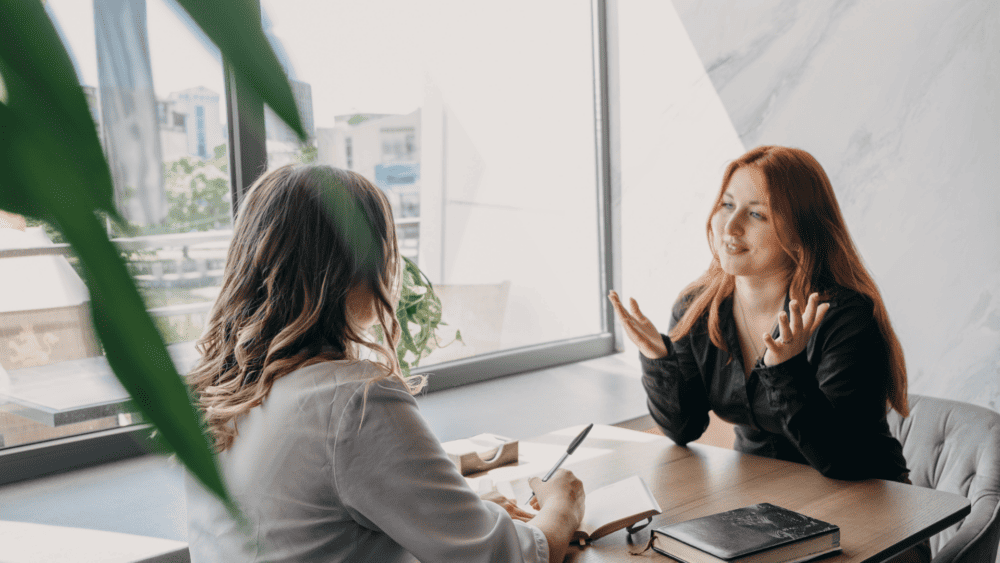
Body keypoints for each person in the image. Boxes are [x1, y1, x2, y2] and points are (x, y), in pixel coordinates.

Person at [184, 164, 585, 563]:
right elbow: (508, 558)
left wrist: (463, 515)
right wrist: (562, 504)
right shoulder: (352, 401)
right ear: (349, 267)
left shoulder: (218, 396)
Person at [610, 145, 912, 482]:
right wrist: (657, 358)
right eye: (727, 205)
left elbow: (840, 459)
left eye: (757, 214)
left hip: (870, 503)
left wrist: (786, 369)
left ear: (800, 234)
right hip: (763, 504)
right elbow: (684, 428)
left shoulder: (845, 317)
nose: (731, 226)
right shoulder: (696, 308)